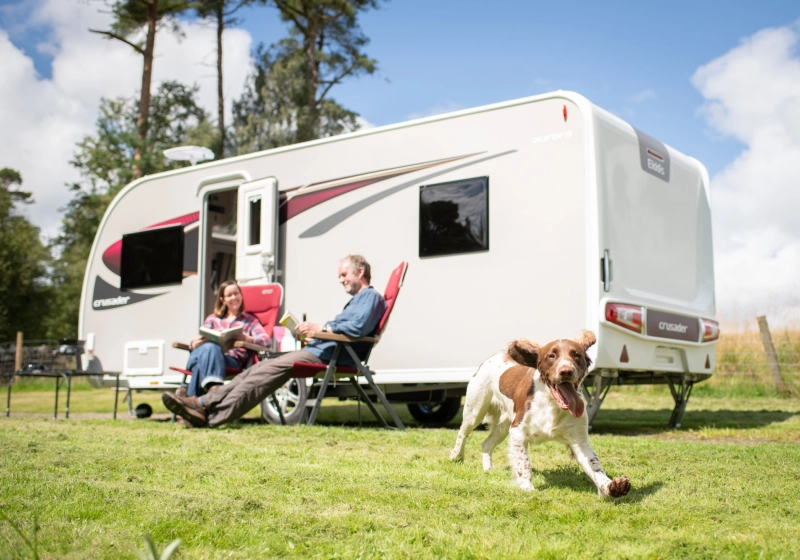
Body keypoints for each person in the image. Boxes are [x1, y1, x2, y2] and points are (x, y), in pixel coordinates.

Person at [163, 255, 386, 428]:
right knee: (256, 371)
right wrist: (314, 334)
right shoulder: (358, 300)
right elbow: (350, 327)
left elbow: (358, 328)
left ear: (360, 271)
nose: (341, 280)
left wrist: (322, 328)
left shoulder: (371, 297)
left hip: (330, 356)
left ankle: (204, 409)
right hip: (322, 350)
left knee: (262, 375)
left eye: (344, 274)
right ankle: (204, 409)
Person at [182, 280, 270, 397]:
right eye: (229, 295)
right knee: (208, 348)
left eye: (236, 293)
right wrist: (194, 343)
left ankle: (188, 395)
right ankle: (212, 390)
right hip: (206, 355)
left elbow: (266, 340)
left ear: (241, 295)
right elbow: (201, 337)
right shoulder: (212, 319)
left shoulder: (250, 321)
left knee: (205, 356)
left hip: (231, 361)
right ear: (222, 300)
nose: (234, 297)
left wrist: (248, 339)